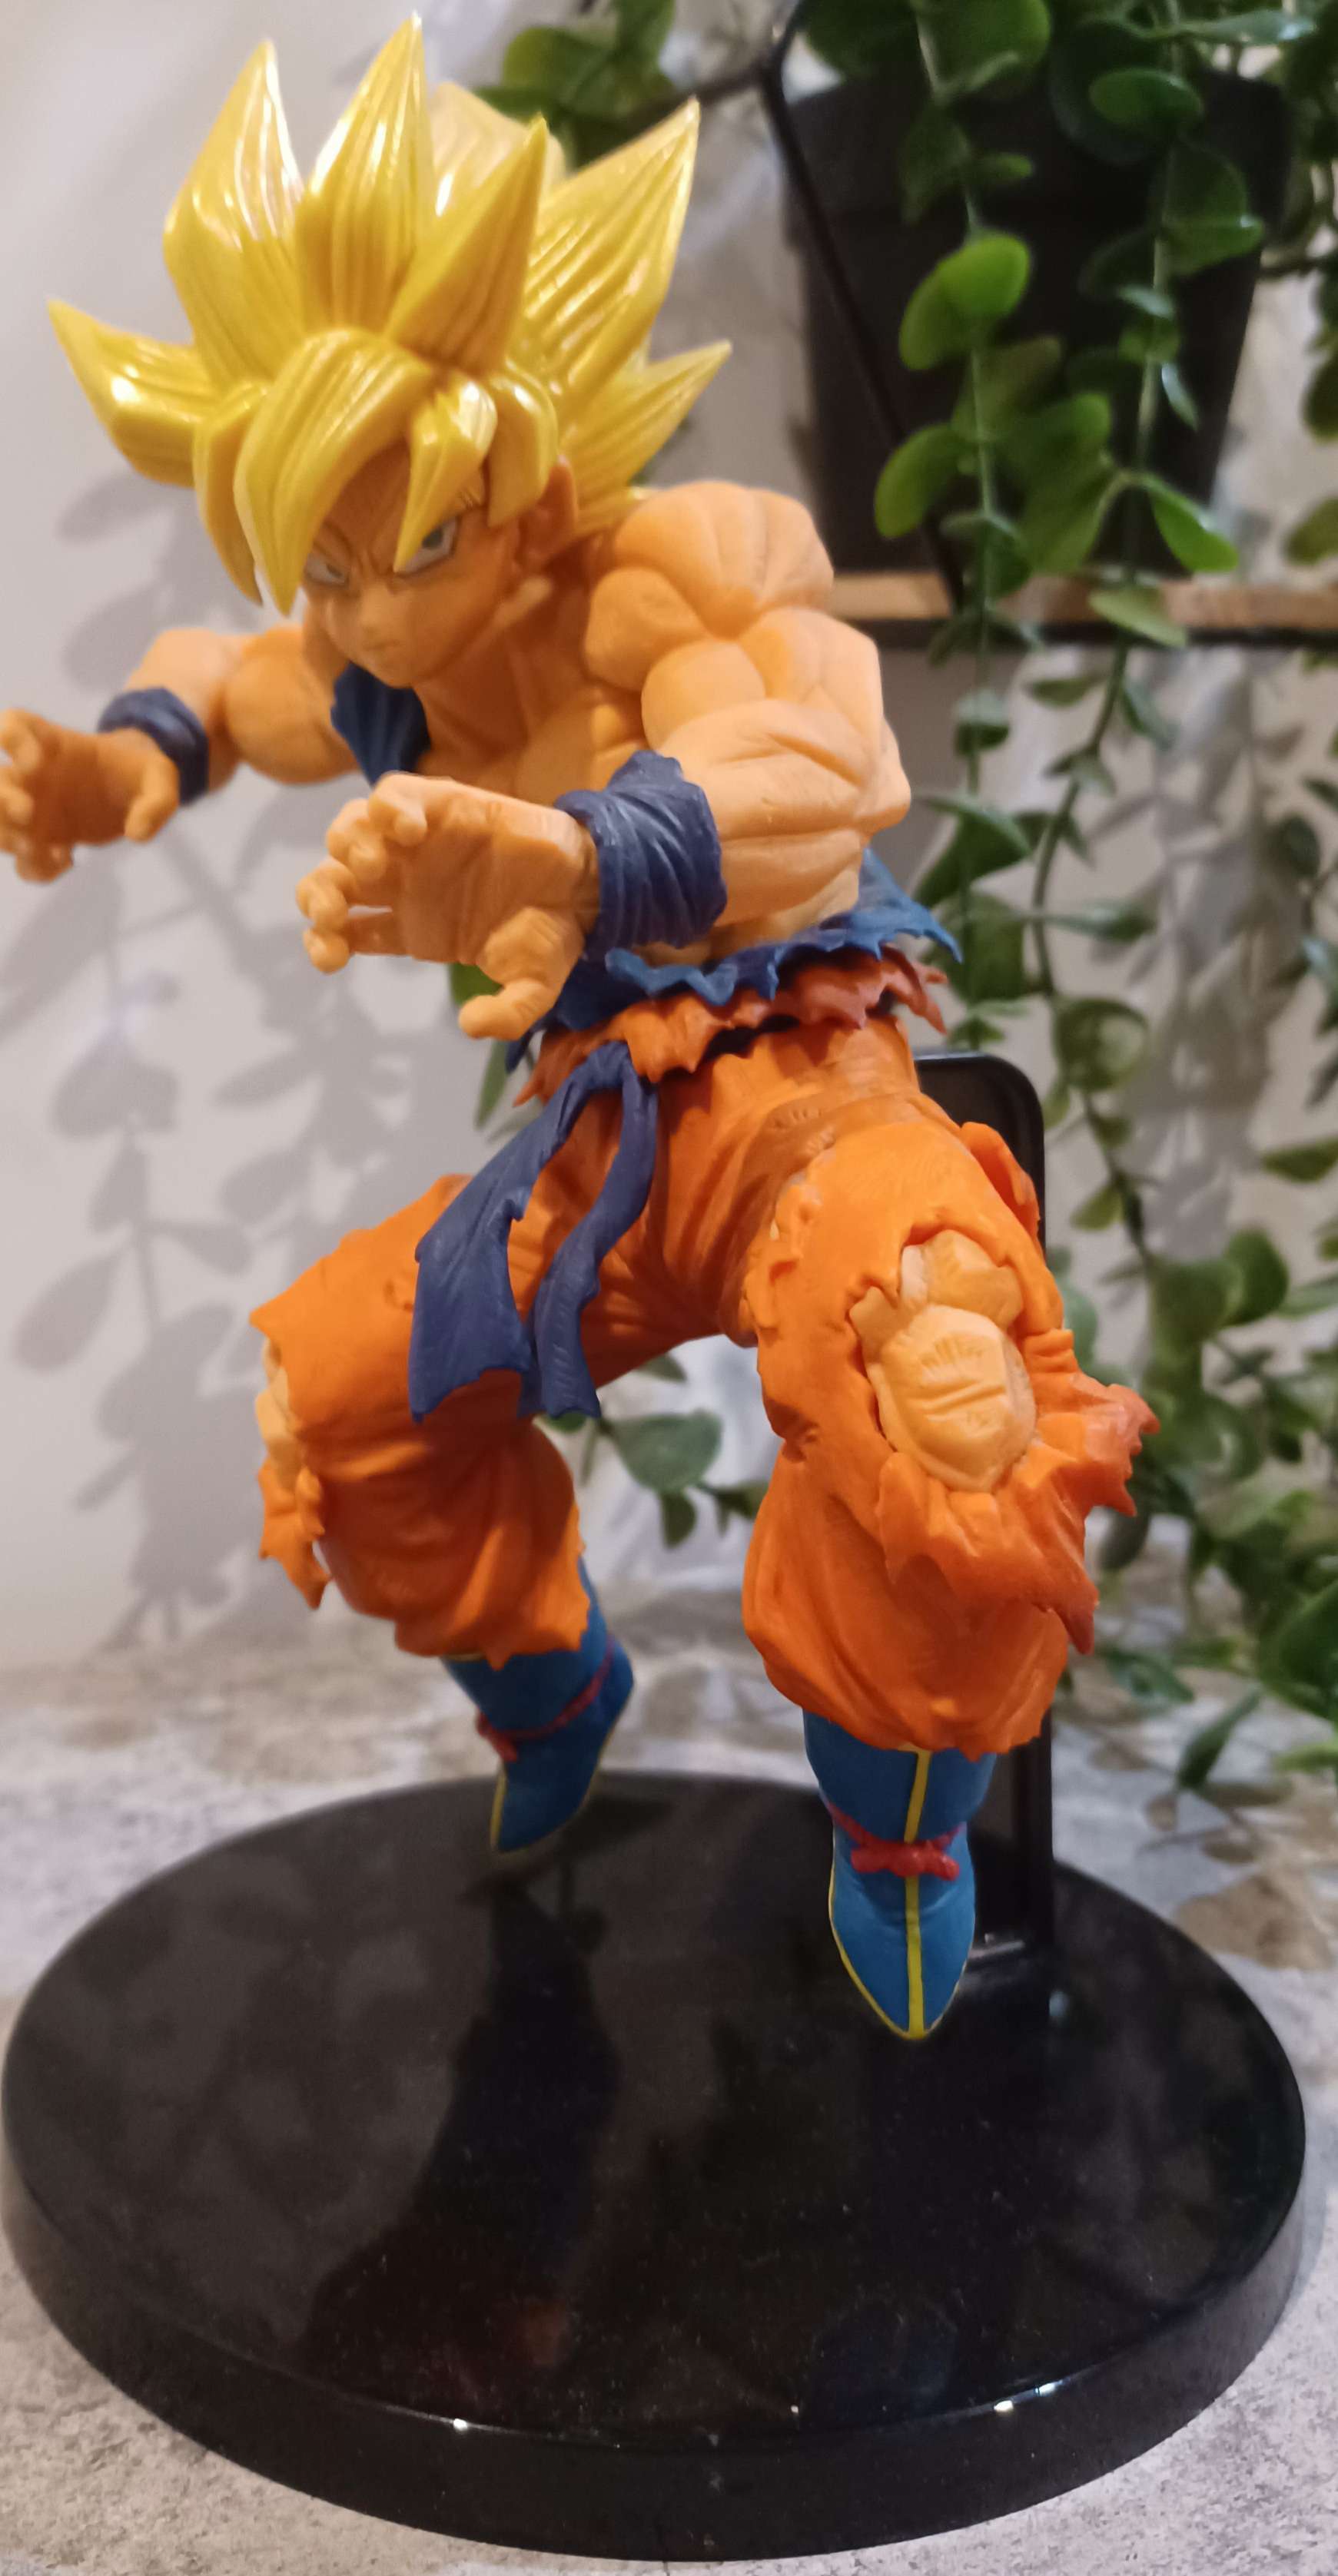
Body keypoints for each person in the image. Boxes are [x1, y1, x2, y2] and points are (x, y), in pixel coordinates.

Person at [0, 22, 1151, 2037]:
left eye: (411, 544)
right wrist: (118, 763)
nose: (365, 610)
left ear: (520, 469)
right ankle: (553, 1688)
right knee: (339, 1399)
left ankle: (901, 1832)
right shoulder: (378, 661)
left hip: (802, 1092)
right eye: (327, 560)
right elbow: (233, 678)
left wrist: (589, 848)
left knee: (941, 1360)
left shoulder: (660, 576)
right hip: (609, 1143)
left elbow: (826, 756)